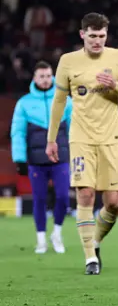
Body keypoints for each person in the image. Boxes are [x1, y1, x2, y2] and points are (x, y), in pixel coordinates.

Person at [46, 12, 118, 275]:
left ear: (106, 35)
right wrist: (52, 139)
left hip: (111, 136)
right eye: (92, 36)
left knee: (113, 202)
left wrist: (116, 86)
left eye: (102, 36)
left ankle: (94, 241)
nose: (97, 41)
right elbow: (59, 102)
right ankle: (90, 259)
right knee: (85, 194)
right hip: (81, 137)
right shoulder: (68, 61)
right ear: (82, 34)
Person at [11, 60, 72, 254]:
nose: (46, 80)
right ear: (34, 78)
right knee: (39, 199)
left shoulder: (65, 101)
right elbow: (18, 133)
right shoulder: (24, 103)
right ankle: (41, 240)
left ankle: (57, 233)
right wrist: (19, 159)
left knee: (63, 197)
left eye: (48, 76)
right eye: (42, 76)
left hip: (60, 158)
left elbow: (74, 129)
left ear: (52, 76)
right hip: (36, 161)